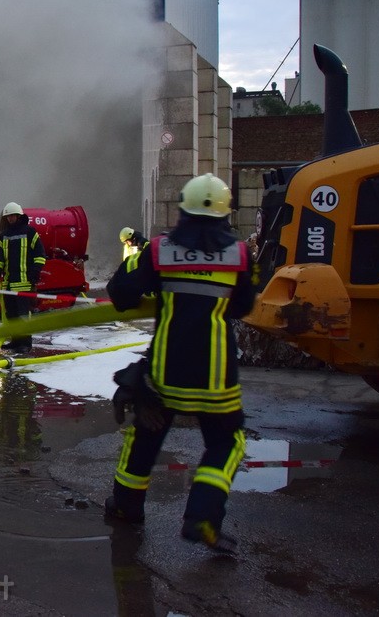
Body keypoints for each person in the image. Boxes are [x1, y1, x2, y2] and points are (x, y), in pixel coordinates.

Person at [103, 173, 256, 555]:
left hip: (167, 374)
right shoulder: (239, 255)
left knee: (146, 435)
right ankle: (202, 516)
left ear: (182, 210)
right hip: (217, 377)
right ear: (226, 214)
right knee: (226, 442)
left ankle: (126, 506)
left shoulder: (159, 251)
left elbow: (120, 293)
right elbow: (244, 307)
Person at [0, 202, 46, 353]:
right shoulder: (4, 235)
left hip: (24, 283)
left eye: (13, 216)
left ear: (19, 216)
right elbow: (0, 257)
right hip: (8, 283)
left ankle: (26, 344)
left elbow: (40, 255)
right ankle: (15, 342)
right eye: (8, 216)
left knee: (23, 315)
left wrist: (35, 272)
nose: (10, 219)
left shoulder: (30, 232)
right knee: (12, 315)